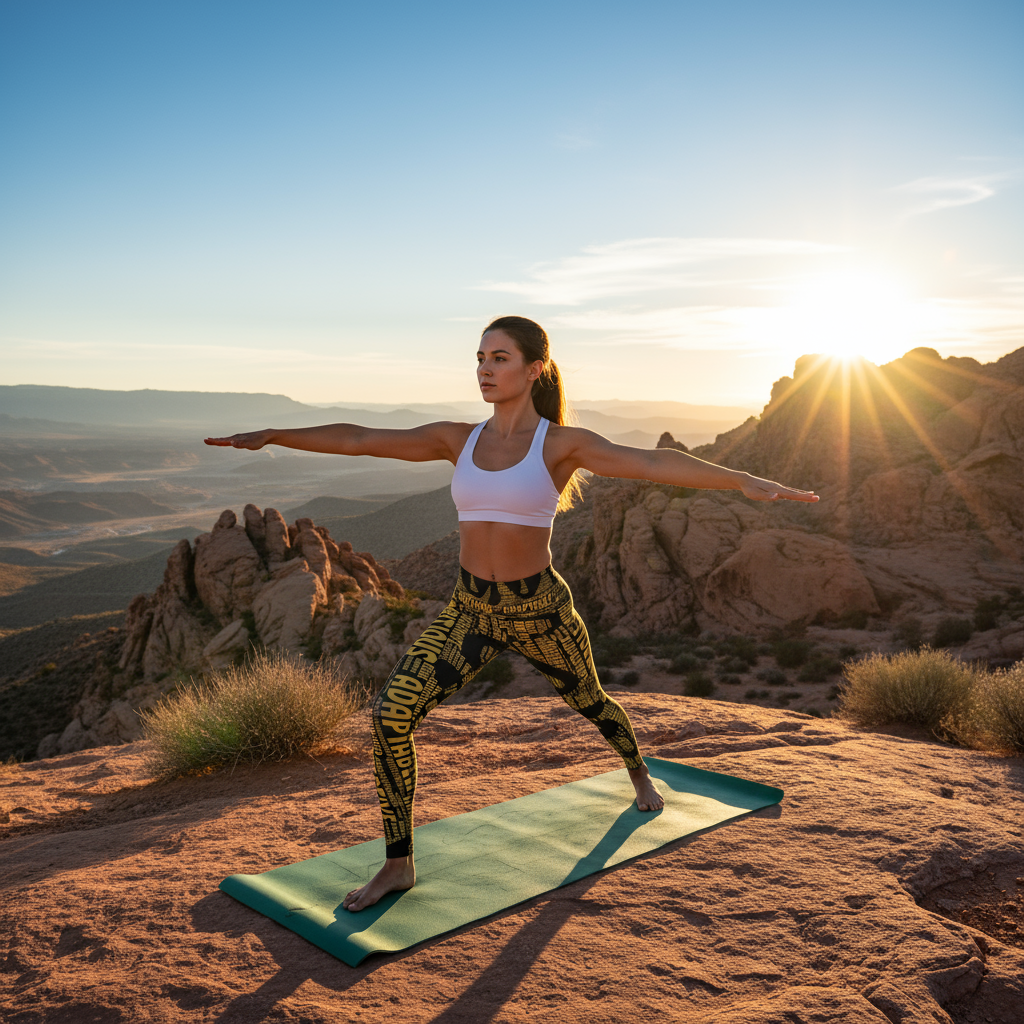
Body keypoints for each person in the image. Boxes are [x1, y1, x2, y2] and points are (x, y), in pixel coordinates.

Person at [206, 315, 818, 911]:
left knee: (591, 702)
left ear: (535, 369)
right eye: (480, 358)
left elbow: (654, 463)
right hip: (470, 610)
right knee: (392, 715)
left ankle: (638, 772)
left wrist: (741, 479)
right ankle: (398, 863)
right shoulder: (458, 439)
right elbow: (361, 439)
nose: (485, 369)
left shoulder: (560, 445)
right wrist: (275, 435)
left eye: (499, 358)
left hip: (539, 611)